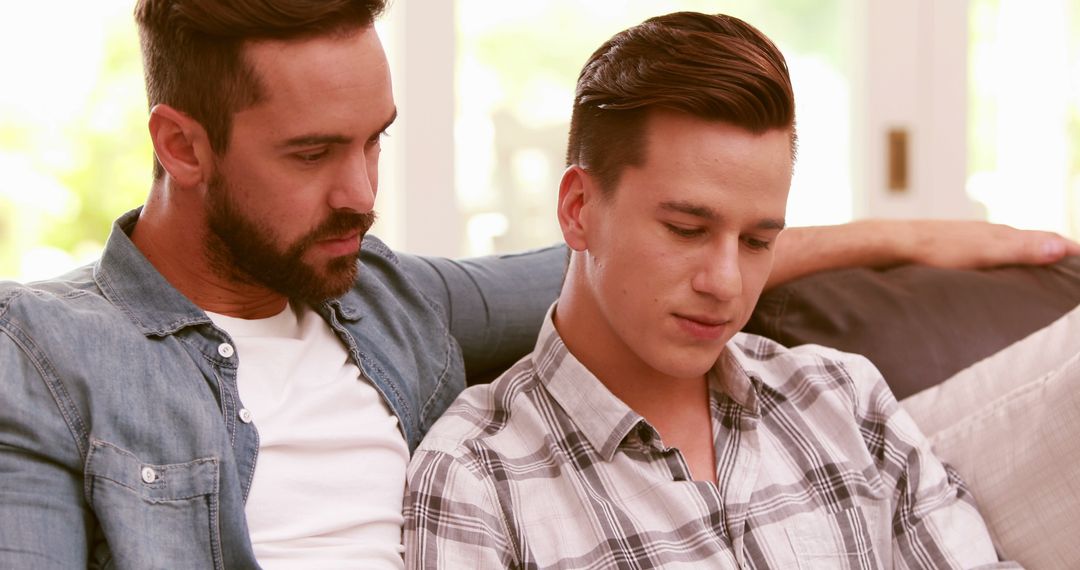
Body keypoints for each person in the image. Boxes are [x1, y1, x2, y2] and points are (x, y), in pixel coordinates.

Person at [0, 1, 1068, 568]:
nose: (363, 194)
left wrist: (931, 236)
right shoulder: (47, 351)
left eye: (377, 142)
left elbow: (649, 268)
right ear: (181, 145)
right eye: (312, 154)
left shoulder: (387, 298)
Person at [404, 12, 1020, 569]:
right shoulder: (476, 483)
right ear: (578, 208)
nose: (725, 284)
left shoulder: (846, 402)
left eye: (757, 241)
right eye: (686, 229)